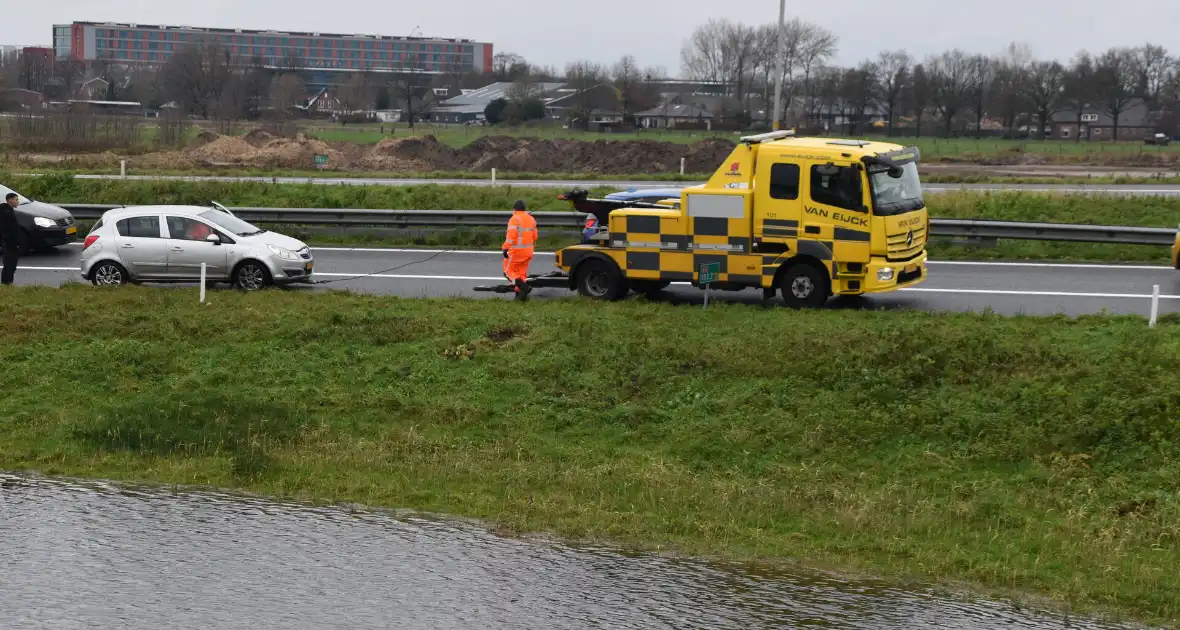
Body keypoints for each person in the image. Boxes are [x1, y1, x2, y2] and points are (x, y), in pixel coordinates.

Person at [502, 199, 537, 300]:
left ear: (514, 209)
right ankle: (520, 295)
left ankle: (525, 288)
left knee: (508, 273)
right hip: (529, 252)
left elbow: (511, 236)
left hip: (517, 252)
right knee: (520, 274)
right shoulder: (531, 219)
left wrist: (505, 248)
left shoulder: (514, 219)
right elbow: (535, 236)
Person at [0, 192, 21, 286]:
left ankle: (6, 282)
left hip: (7, 241)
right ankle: (7, 282)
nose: (18, 202)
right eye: (16, 200)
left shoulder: (6, 210)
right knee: (10, 263)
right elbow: (11, 229)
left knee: (8, 263)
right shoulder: (7, 213)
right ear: (10, 200)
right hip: (9, 242)